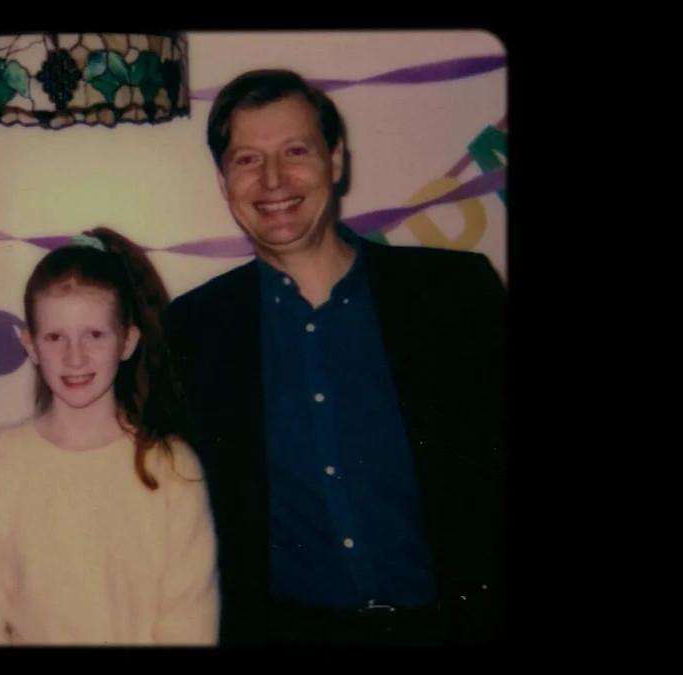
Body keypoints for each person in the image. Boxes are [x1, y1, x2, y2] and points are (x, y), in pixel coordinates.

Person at [167, 69, 505, 645]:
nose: (273, 179)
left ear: (336, 159)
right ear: (223, 181)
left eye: (296, 151)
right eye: (247, 159)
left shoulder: (456, 293)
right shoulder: (192, 329)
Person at [0, 227, 219, 645]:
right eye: (55, 337)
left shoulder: (172, 467)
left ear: (127, 341)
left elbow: (189, 620)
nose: (75, 357)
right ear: (30, 345)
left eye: (95, 335)